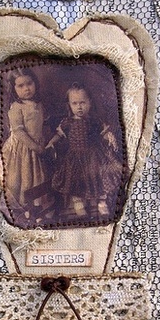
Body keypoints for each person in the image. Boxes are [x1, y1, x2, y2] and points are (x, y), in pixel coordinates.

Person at [46, 82, 126, 220]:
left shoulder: (94, 121)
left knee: (99, 177)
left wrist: (109, 136)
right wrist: (51, 142)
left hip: (93, 155)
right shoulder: (67, 122)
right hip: (75, 157)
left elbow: (104, 133)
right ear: (69, 105)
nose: (79, 107)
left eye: (82, 102)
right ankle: (78, 204)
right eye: (75, 103)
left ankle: (102, 202)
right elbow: (59, 135)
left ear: (90, 103)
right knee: (75, 180)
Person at [0, 68, 51, 224]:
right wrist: (35, 147)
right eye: (20, 86)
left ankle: (37, 208)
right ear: (14, 88)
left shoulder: (38, 104)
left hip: (37, 146)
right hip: (21, 149)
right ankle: (27, 209)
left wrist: (43, 141)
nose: (26, 88)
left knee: (37, 179)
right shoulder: (16, 107)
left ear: (35, 83)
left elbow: (40, 125)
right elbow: (19, 132)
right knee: (23, 179)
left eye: (29, 83)